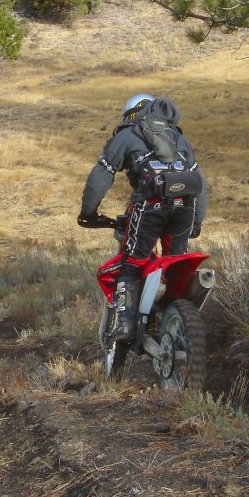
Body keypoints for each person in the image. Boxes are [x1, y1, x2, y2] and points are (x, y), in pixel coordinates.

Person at [78, 94, 208, 342]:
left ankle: (125, 325)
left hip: (149, 207)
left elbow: (101, 175)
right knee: (177, 262)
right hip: (185, 208)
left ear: (130, 115)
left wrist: (88, 212)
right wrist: (197, 222)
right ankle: (173, 318)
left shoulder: (126, 135)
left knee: (133, 263)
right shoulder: (178, 137)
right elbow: (199, 183)